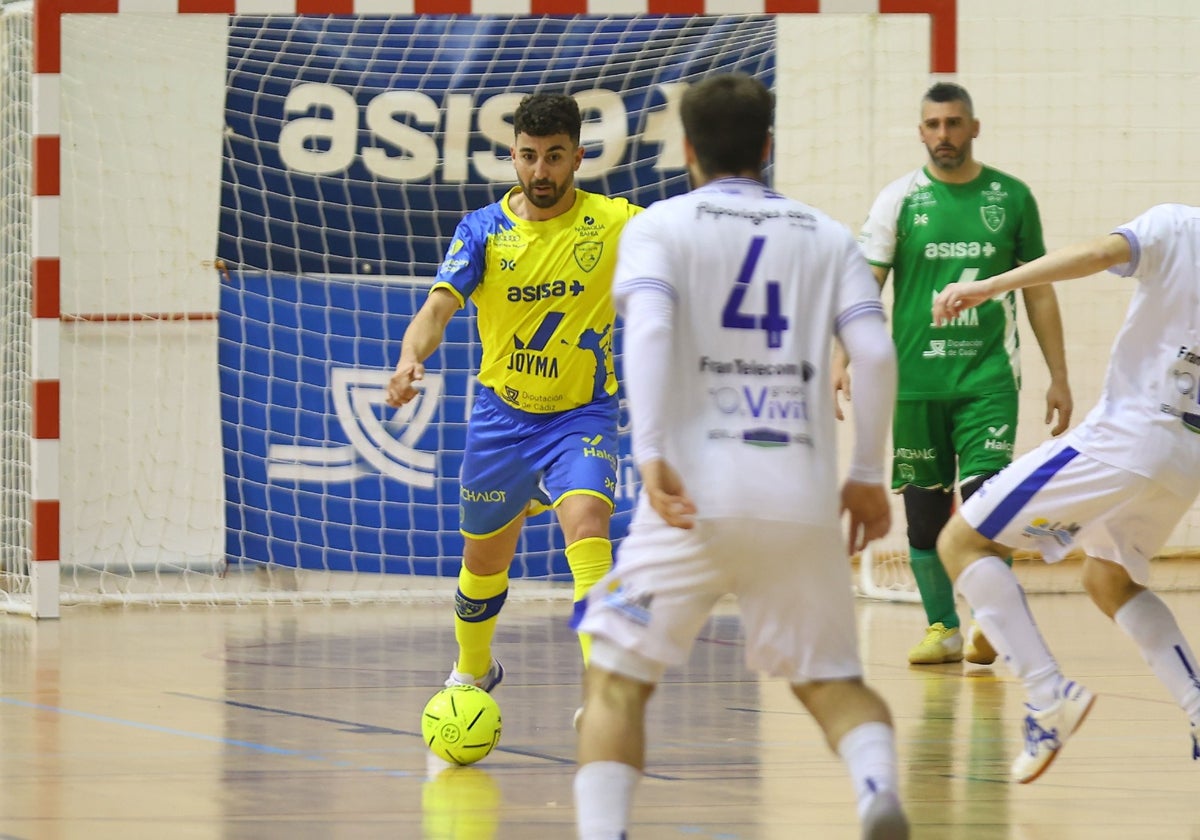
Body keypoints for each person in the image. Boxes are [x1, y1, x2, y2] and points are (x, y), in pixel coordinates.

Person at [573, 72, 909, 840]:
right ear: (767, 146)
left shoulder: (658, 226)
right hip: (798, 501)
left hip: (691, 501)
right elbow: (876, 352)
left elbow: (650, 331)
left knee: (616, 681)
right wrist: (863, 475)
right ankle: (875, 793)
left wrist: (652, 450)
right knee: (831, 683)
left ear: (686, 148)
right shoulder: (827, 237)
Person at [931, 203, 1200, 782]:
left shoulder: (1178, 224)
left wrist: (993, 285)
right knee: (1108, 578)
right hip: (1186, 461)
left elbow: (1098, 253)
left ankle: (1046, 693)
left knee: (961, 543)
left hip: (1128, 439)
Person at [386, 92, 640, 695]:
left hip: (583, 414)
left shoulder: (615, 222)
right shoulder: (481, 231)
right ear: (512, 154)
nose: (540, 172)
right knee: (483, 567)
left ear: (578, 157)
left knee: (587, 529)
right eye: (529, 157)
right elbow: (438, 308)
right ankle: (474, 668)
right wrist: (408, 357)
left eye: (555, 157)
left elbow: (683, 244)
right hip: (502, 420)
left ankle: (601, 691)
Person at [843, 82, 1073, 666]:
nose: (943, 134)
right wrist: (842, 354)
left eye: (953, 123)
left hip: (986, 380)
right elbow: (865, 287)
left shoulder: (1012, 197)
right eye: (933, 124)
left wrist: (1060, 377)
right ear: (920, 132)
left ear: (974, 127)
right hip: (915, 383)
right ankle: (943, 628)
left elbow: (1040, 292)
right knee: (923, 512)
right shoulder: (898, 199)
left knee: (985, 502)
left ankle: (989, 624)